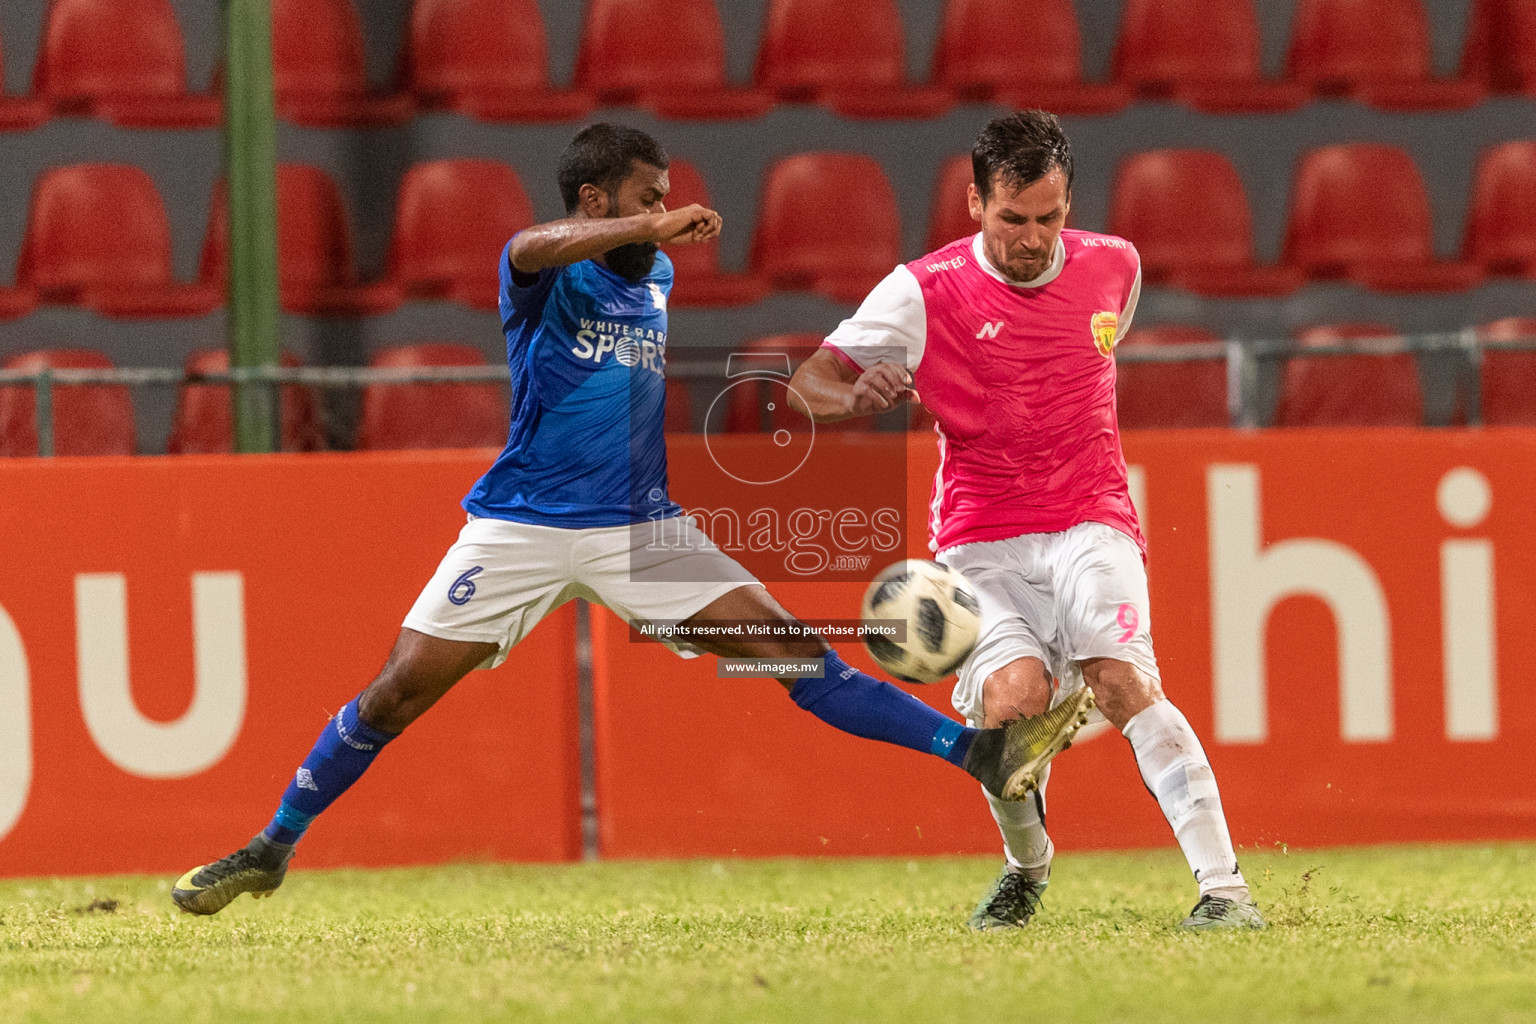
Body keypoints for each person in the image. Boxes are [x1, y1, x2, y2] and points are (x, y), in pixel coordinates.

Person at [170, 123, 1088, 917]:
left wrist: (652, 236)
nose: (670, 210)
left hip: (642, 532)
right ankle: (270, 848)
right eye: (652, 197)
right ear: (599, 199)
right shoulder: (541, 276)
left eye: (670, 196)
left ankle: (974, 750)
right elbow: (530, 246)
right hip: (521, 524)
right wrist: (646, 224)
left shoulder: (651, 280)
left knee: (795, 655)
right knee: (394, 695)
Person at [787, 110, 1265, 932]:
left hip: (1092, 517)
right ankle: (1025, 871)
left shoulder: (1117, 265)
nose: (1032, 239)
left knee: (1121, 677)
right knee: (1014, 702)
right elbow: (807, 383)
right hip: (980, 537)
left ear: (1068, 206)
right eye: (1012, 220)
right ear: (975, 203)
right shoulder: (921, 290)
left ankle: (1224, 892)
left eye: (1049, 218)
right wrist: (851, 397)